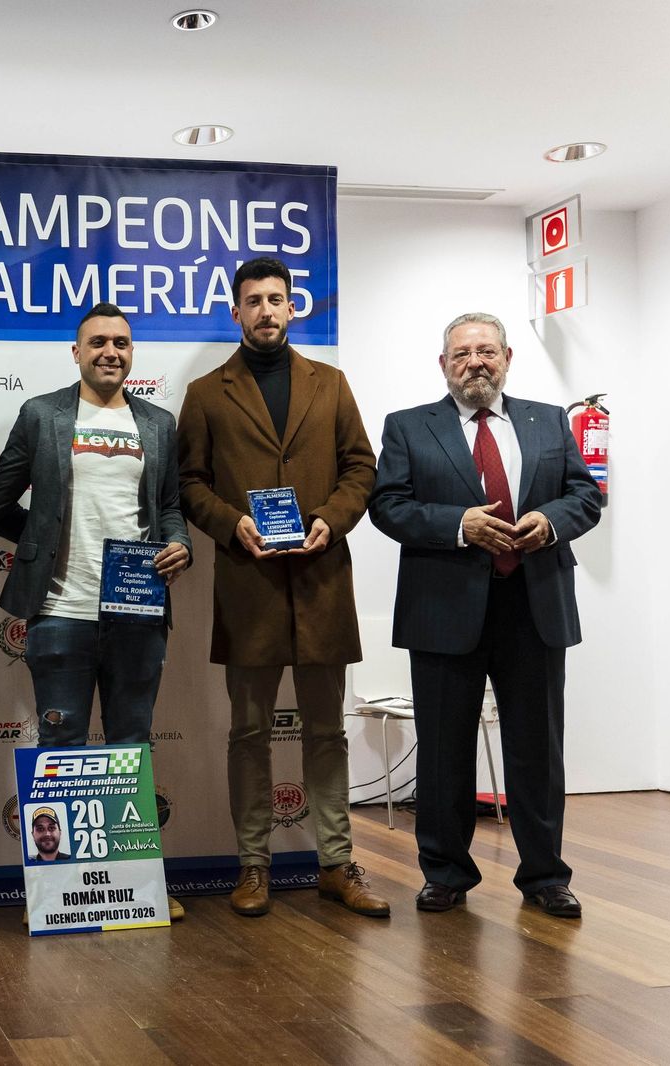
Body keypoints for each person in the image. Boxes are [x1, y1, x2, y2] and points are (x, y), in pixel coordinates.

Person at [368, 312, 600, 918]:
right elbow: (388, 505)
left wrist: (550, 522)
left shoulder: (548, 421)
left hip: (534, 605)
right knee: (444, 750)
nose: (476, 362)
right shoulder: (409, 427)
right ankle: (444, 874)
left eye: (487, 351)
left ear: (507, 358)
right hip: (444, 610)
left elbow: (586, 495)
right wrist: (457, 525)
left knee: (537, 751)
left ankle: (546, 876)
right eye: (463, 352)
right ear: (443, 364)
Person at [176, 257, 389, 919]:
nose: (266, 310)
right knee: (248, 734)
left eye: (276, 299)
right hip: (250, 584)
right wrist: (232, 523)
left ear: (293, 308)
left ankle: (335, 863)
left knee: (329, 733)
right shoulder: (208, 393)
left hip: (323, 580)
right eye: (253, 300)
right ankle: (253, 866)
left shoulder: (331, 384)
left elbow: (361, 465)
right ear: (235, 312)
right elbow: (190, 483)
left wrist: (331, 518)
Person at [0, 302, 191, 920]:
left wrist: (177, 542)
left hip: (137, 610)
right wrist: (44, 534)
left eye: (122, 343)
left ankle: (137, 890)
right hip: (60, 608)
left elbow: (172, 506)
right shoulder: (42, 415)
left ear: (132, 354)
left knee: (130, 746)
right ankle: (55, 896)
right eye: (98, 341)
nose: (111, 352)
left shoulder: (157, 422)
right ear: (76, 352)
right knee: (61, 745)